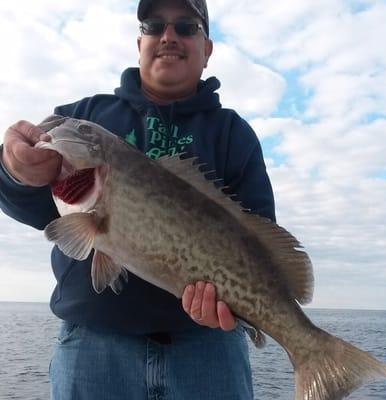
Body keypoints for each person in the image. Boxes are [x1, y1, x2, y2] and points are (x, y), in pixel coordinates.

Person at [0, 0, 275, 398]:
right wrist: (15, 169)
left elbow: (261, 239)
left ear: (207, 48)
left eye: (185, 26)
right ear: (139, 41)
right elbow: (32, 206)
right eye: (154, 25)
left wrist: (232, 304)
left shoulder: (233, 133)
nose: (169, 36)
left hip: (208, 348)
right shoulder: (84, 118)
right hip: (93, 348)